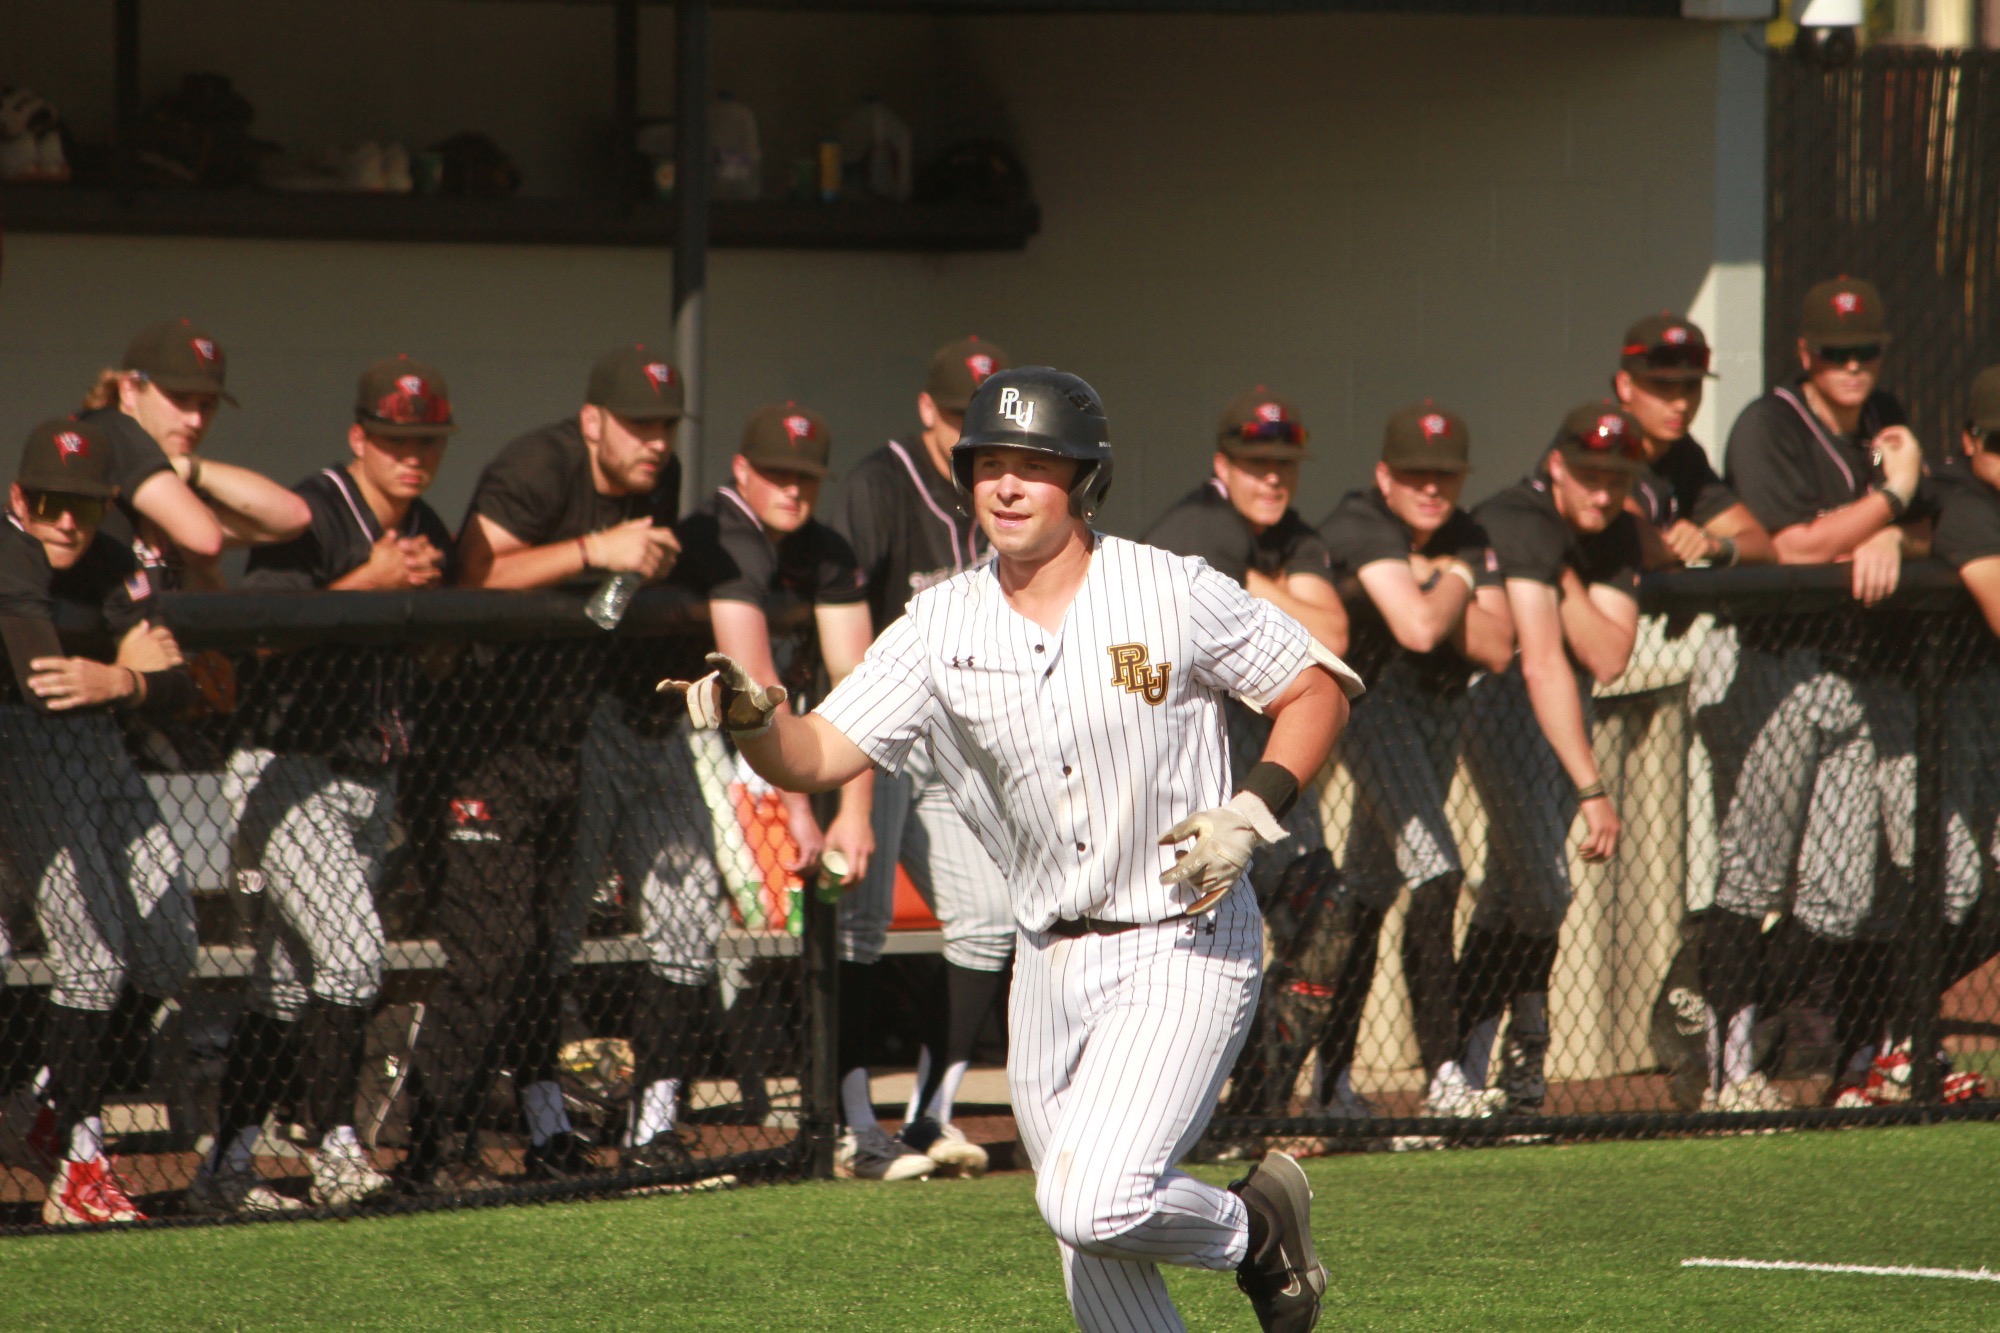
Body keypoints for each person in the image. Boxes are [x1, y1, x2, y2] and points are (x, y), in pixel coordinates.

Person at [669, 367, 1360, 1333]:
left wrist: (1249, 808)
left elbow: (1315, 687)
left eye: (1033, 467)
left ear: (1083, 481)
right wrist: (752, 720)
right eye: (989, 464)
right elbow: (819, 750)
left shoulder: (1170, 588)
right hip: (1046, 962)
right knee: (1086, 1238)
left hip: (1181, 941)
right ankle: (1250, 1229)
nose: (1004, 485)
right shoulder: (940, 621)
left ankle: (1255, 1228)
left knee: (1094, 1200)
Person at [399, 343, 683, 1192]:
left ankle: (542, 1126)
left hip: (561, 743)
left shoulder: (650, 481)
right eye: (638, 424)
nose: (654, 442)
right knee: (488, 958)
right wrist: (600, 548)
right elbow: (474, 575)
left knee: (535, 957)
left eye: (665, 426)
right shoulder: (539, 463)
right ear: (594, 420)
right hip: (475, 738)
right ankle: (422, 1145)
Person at [186, 357, 456, 1214]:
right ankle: (334, 1150)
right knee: (353, 953)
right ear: (360, 437)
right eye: (395, 437)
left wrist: (430, 607)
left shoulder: (430, 526)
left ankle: (223, 1169)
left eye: (426, 439)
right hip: (285, 766)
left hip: (372, 775)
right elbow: (255, 639)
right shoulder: (313, 514)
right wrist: (366, 586)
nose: (411, 455)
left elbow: (443, 659)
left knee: (289, 986)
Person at [1707, 277, 1929, 1111]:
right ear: (1804, 354)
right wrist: (1888, 502)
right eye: (1834, 352)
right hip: (1768, 667)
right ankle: (1728, 1072)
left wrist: (1897, 533)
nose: (1851, 365)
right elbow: (1794, 545)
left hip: (1847, 678)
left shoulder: (1887, 416)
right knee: (1752, 877)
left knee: (1839, 894)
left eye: (1864, 350)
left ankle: (1758, 1030)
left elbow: (1934, 519)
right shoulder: (1769, 422)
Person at [667, 403, 886, 1175]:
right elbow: (754, 684)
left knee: (770, 919)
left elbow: (859, 684)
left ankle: (795, 1111)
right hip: (665, 735)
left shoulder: (822, 545)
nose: (794, 489)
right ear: (742, 469)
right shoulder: (722, 531)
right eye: (778, 473)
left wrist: (852, 808)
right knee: (683, 924)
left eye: (807, 477)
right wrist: (801, 806)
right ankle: (640, 1120)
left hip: (769, 751)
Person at [822, 337, 1015, 1178]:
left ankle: (929, 1119)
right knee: (860, 925)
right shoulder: (876, 482)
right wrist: (854, 791)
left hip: (955, 740)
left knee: (989, 918)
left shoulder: (1005, 486)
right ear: (929, 411)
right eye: (961, 416)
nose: (978, 437)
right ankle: (852, 1126)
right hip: (875, 728)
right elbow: (850, 653)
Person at [0, 418, 196, 1224]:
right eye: (50, 501)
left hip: (94, 750)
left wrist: (116, 682)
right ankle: (80, 1170)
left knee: (168, 944)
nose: (67, 520)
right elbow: (45, 683)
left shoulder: (111, 556)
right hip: (25, 744)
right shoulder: (10, 548)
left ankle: (49, 1103)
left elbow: (180, 685)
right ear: (19, 497)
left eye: (83, 503)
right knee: (91, 952)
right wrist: (127, 671)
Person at [1142, 389, 1353, 1131]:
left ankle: (1256, 1108)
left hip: (1260, 766)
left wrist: (1252, 587)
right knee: (1186, 952)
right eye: (1256, 463)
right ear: (1221, 465)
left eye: (1284, 464)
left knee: (1324, 916)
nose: (1273, 478)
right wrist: (1279, 599)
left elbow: (1334, 631)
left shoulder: (1284, 533)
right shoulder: (1197, 525)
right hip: (1177, 774)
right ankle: (1180, 1115)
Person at [1317, 402, 1514, 1118]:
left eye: (1445, 475)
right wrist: (1457, 578)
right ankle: (1445, 1078)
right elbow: (1422, 626)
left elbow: (1495, 646)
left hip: (1438, 713)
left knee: (1368, 894)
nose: (1431, 488)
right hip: (1369, 705)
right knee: (1438, 869)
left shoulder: (1464, 531)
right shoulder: (1360, 519)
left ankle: (1330, 1082)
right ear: (1384, 475)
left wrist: (1439, 571)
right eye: (1415, 474)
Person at [1459, 402, 1644, 1113]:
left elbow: (1608, 653)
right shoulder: (1522, 515)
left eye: (1618, 478)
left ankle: (1466, 1071)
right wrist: (1592, 785)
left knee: (1513, 892)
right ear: (1558, 463)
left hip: (1570, 711)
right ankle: (1524, 1047)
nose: (1604, 493)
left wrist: (1561, 578)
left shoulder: (1615, 526)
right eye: (1590, 474)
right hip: (1496, 703)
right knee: (1544, 887)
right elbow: (1539, 663)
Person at [1835, 362, 2000, 1106]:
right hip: (1911, 711)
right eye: (1998, 440)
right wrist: (1893, 533)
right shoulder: (1967, 502)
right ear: (1969, 440)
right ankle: (1883, 1051)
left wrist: (1897, 536)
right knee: (1940, 885)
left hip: (1968, 710)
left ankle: (1898, 1047)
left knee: (1969, 890)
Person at [81, 318, 309, 589]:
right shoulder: (107, 429)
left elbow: (293, 517)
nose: (195, 421)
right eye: (179, 398)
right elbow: (204, 540)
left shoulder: (173, 471)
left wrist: (191, 468)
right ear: (130, 390)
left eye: (206, 406)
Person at [1610, 314, 1774, 570]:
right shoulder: (1604, 438)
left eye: (1691, 387)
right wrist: (1681, 546)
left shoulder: (1684, 453)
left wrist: (1712, 545)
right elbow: (1641, 546)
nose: (1682, 404)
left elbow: (1762, 546)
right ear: (1625, 386)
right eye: (1664, 386)